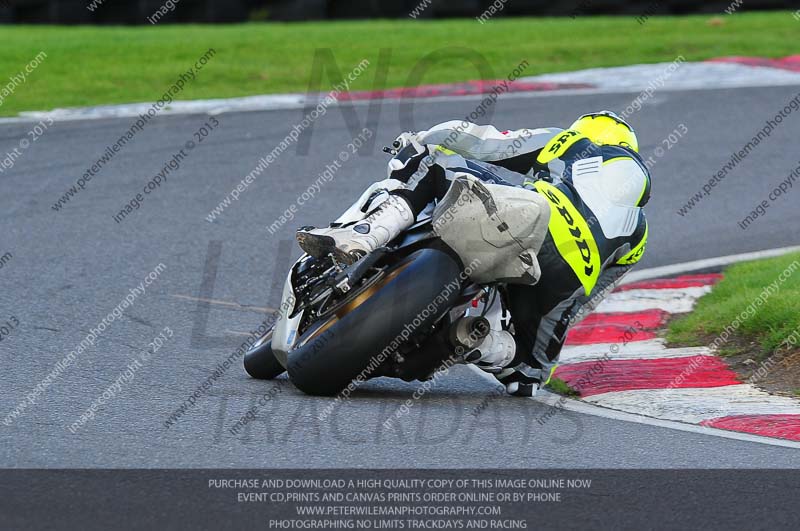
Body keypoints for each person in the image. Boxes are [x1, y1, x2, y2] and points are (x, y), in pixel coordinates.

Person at [296, 111, 651, 397]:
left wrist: (423, 138)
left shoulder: (575, 143)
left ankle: (363, 233)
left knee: (431, 160)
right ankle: (480, 340)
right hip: (567, 280)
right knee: (528, 377)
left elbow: (485, 142)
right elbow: (587, 299)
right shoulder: (640, 234)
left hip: (537, 220)